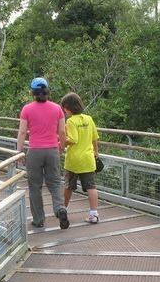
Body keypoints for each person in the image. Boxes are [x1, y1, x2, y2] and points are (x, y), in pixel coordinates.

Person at [17, 77, 70, 229]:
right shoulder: (57, 109)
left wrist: (19, 152)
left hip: (34, 152)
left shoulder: (27, 109)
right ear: (47, 90)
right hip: (52, 150)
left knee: (35, 186)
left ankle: (39, 219)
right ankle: (60, 209)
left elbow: (22, 132)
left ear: (33, 92)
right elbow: (61, 131)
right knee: (54, 184)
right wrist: (61, 147)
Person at [60, 92, 100, 224]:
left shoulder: (71, 121)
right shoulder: (89, 119)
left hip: (74, 160)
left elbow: (73, 139)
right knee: (91, 187)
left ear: (67, 107)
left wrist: (61, 140)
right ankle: (94, 214)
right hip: (88, 159)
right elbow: (95, 138)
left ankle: (62, 210)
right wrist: (96, 153)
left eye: (64, 108)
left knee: (69, 186)